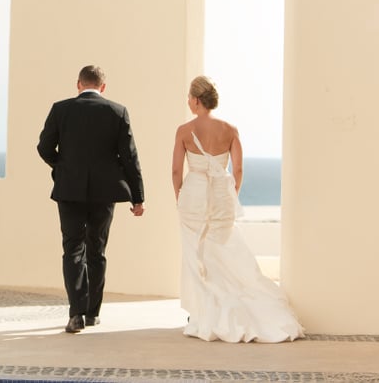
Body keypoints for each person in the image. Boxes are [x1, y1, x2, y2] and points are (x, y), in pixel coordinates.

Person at [172, 75, 304, 343]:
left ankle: (203, 312)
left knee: (195, 254)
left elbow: (176, 170)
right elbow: (239, 168)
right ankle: (228, 307)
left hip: (194, 196)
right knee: (224, 251)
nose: (188, 101)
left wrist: (180, 197)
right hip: (221, 195)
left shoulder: (184, 131)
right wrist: (230, 195)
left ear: (196, 100)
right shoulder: (230, 129)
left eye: (189, 97)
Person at [37, 65, 145, 334]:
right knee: (97, 250)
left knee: (73, 250)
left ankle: (76, 314)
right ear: (103, 87)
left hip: (69, 190)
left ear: (78, 84)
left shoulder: (60, 109)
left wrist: (61, 168)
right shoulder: (117, 111)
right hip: (105, 192)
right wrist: (138, 197)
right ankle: (93, 313)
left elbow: (43, 147)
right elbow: (129, 157)